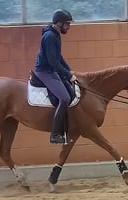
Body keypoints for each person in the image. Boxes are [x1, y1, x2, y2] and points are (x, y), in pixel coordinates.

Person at [34, 9, 78, 144]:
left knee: (69, 92)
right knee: (64, 98)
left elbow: (59, 57)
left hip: (51, 70)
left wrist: (69, 72)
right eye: (67, 24)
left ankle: (65, 129)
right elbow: (53, 62)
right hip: (44, 71)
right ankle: (55, 134)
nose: (69, 27)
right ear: (59, 23)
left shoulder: (56, 34)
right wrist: (67, 74)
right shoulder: (50, 37)